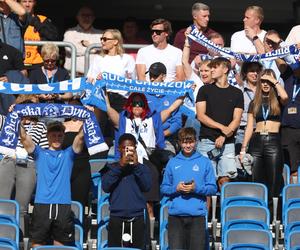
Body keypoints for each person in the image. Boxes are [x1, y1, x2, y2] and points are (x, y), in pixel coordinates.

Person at [20, 120, 85, 247]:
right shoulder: (39, 153)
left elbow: (81, 137)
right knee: (38, 243)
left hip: (63, 204)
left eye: (60, 135)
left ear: (64, 136)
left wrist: (89, 117)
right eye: (53, 135)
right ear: (47, 136)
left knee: (60, 244)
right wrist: (16, 117)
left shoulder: (69, 154)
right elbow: (23, 137)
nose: (57, 138)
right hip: (42, 204)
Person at [161, 127, 217, 250]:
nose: (188, 145)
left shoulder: (204, 162)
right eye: (185, 142)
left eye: (190, 142)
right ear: (180, 143)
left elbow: (213, 188)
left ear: (196, 141)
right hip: (176, 216)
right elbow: (164, 188)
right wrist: (176, 189)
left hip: (197, 216)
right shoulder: (173, 162)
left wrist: (196, 188)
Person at [0, 94, 48, 236]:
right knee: (2, 203)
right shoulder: (7, 121)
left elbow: (43, 150)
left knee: (21, 207)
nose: (26, 114)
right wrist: (12, 113)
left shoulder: (40, 126)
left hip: (28, 164)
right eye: (23, 109)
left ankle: (18, 239)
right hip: (7, 162)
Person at [240, 69, 288, 200]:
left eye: (268, 81)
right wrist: (243, 149)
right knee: (255, 178)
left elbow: (285, 97)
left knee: (274, 178)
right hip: (257, 141)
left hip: (273, 141)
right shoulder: (254, 102)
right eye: (263, 81)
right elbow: (249, 127)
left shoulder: (278, 100)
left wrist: (273, 80)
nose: (266, 84)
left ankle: (273, 214)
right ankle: (259, 209)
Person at [196, 57, 244, 188]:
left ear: (225, 69)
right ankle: (207, 209)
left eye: (214, 67)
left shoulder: (237, 93)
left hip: (227, 143)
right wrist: (223, 128)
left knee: (225, 181)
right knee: (207, 182)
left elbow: (237, 119)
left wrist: (224, 136)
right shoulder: (204, 90)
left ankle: (225, 208)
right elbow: (201, 115)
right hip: (206, 141)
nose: (211, 70)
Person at [101, 133, 151, 249]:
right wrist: (120, 166)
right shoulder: (111, 167)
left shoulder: (142, 168)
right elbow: (106, 187)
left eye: (130, 148)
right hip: (116, 217)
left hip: (137, 217)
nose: (127, 151)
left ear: (135, 148)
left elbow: (147, 187)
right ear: (119, 149)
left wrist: (136, 165)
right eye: (124, 148)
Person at [86, 28, 136, 111]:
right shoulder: (98, 58)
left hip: (121, 98)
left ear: (115, 42)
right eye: (101, 39)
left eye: (105, 39)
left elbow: (133, 82)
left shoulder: (127, 59)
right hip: (102, 97)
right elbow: (90, 80)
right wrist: (97, 80)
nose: (102, 42)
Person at [136, 18, 184, 82]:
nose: (154, 34)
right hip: (148, 90)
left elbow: (180, 78)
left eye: (158, 32)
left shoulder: (177, 52)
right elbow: (141, 77)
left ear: (166, 33)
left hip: (169, 91)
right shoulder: (143, 51)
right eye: (152, 32)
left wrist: (164, 90)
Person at [63, 6, 102, 75]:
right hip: (74, 75)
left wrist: (87, 46)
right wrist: (93, 48)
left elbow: (104, 49)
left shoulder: (100, 34)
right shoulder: (70, 32)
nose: (86, 18)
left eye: (89, 15)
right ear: (77, 17)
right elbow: (70, 49)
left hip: (95, 76)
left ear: (93, 18)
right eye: (83, 15)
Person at [20, 0, 59, 70]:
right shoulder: (12, 20)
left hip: (38, 63)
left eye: (30, 1)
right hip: (18, 64)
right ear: (19, 3)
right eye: (24, 1)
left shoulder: (42, 19)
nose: (27, 4)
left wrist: (37, 24)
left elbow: (53, 36)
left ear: (34, 3)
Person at [235, 62, 263, 154]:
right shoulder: (239, 91)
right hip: (242, 132)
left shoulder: (265, 90)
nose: (255, 74)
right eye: (252, 71)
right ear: (245, 73)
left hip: (261, 132)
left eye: (257, 71)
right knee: (241, 162)